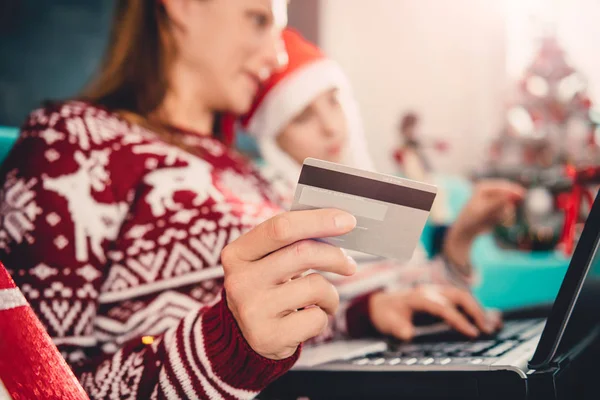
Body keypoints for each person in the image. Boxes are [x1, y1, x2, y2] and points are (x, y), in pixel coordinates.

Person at [0, 1, 360, 398]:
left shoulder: (248, 172)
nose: (277, 57)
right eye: (258, 19)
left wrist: (364, 314)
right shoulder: (74, 145)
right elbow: (36, 387)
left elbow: (286, 327)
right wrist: (227, 347)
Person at [242, 29, 525, 340]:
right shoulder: (271, 211)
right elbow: (282, 331)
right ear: (273, 138)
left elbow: (422, 295)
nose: (330, 126)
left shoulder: (367, 191)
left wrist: (462, 237)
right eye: (302, 117)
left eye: (334, 102)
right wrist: (368, 312)